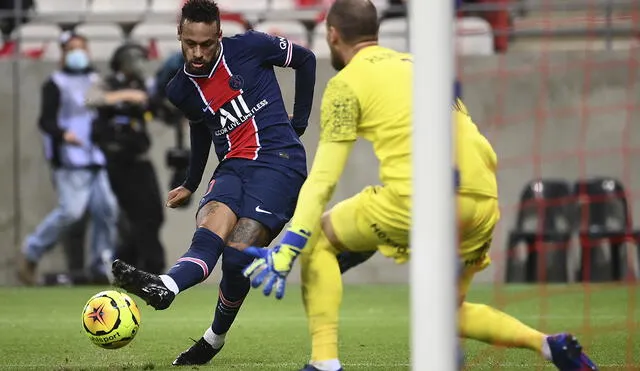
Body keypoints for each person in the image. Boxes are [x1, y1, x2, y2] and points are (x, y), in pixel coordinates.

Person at [242, 1, 599, 371]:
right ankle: (546, 346)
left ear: (332, 35)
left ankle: (324, 363)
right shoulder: (419, 65)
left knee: (319, 240)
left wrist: (290, 244)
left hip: (422, 199)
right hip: (483, 200)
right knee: (449, 313)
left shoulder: (345, 84)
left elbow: (323, 178)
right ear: (375, 32)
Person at [110, 0, 316, 366]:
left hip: (279, 164)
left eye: (206, 44)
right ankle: (166, 285)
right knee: (210, 229)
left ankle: (213, 339)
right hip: (233, 166)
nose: (198, 52)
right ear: (180, 36)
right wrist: (191, 182)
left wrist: (298, 124)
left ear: (219, 35)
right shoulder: (180, 89)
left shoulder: (251, 46)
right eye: (190, 43)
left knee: (236, 259)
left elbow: (306, 60)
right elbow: (200, 126)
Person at [18, 31, 119, 285]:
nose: (77, 53)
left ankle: (101, 265)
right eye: (71, 48)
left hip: (95, 156)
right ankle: (31, 252)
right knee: (71, 212)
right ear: (63, 54)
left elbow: (103, 115)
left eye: (81, 48)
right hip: (69, 158)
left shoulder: (95, 80)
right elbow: (45, 120)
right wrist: (64, 134)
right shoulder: (55, 83)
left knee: (106, 208)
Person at [85, 43, 166, 275]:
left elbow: (159, 107)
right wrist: (126, 95)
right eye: (135, 59)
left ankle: (125, 264)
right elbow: (91, 99)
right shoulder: (108, 82)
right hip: (119, 160)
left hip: (141, 157)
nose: (140, 64)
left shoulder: (144, 85)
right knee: (138, 216)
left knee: (154, 215)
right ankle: (151, 268)